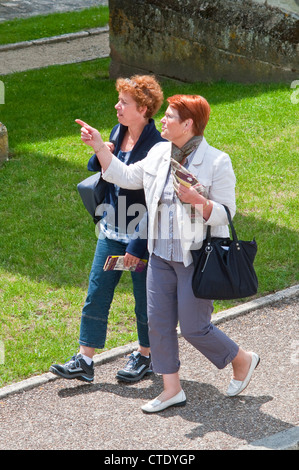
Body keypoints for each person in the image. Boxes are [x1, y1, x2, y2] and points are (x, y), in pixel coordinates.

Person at [75, 94, 260, 412]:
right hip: (159, 254)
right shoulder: (160, 152)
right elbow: (127, 176)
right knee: (158, 322)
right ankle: (171, 389)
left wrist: (199, 201)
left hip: (194, 257)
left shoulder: (216, 161)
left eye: (170, 116)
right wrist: (99, 147)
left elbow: (227, 213)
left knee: (193, 327)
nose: (162, 119)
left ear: (187, 124)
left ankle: (242, 359)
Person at [50, 75, 164, 383]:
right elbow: (102, 168)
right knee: (97, 291)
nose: (117, 106)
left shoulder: (158, 147)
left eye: (124, 103)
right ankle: (84, 360)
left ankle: (146, 355)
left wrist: (136, 247)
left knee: (144, 299)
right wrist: (99, 148)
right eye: (119, 100)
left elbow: (151, 200)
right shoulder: (119, 130)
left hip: (140, 236)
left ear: (143, 109)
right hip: (112, 229)